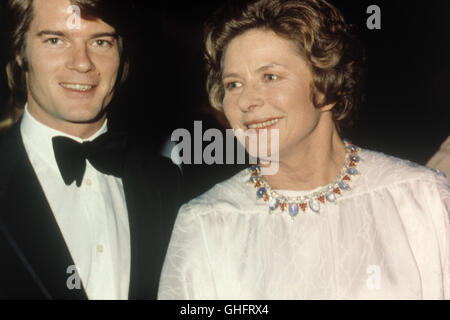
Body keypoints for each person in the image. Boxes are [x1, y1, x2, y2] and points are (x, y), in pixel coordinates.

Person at [158, 0, 450, 299]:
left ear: (326, 84)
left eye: (269, 77)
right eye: (233, 84)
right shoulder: (208, 222)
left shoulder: (419, 197)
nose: (246, 101)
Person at [0, 0, 181, 299]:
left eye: (100, 42)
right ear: (20, 52)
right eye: (56, 40)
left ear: (122, 53)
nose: (82, 62)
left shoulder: (165, 182)